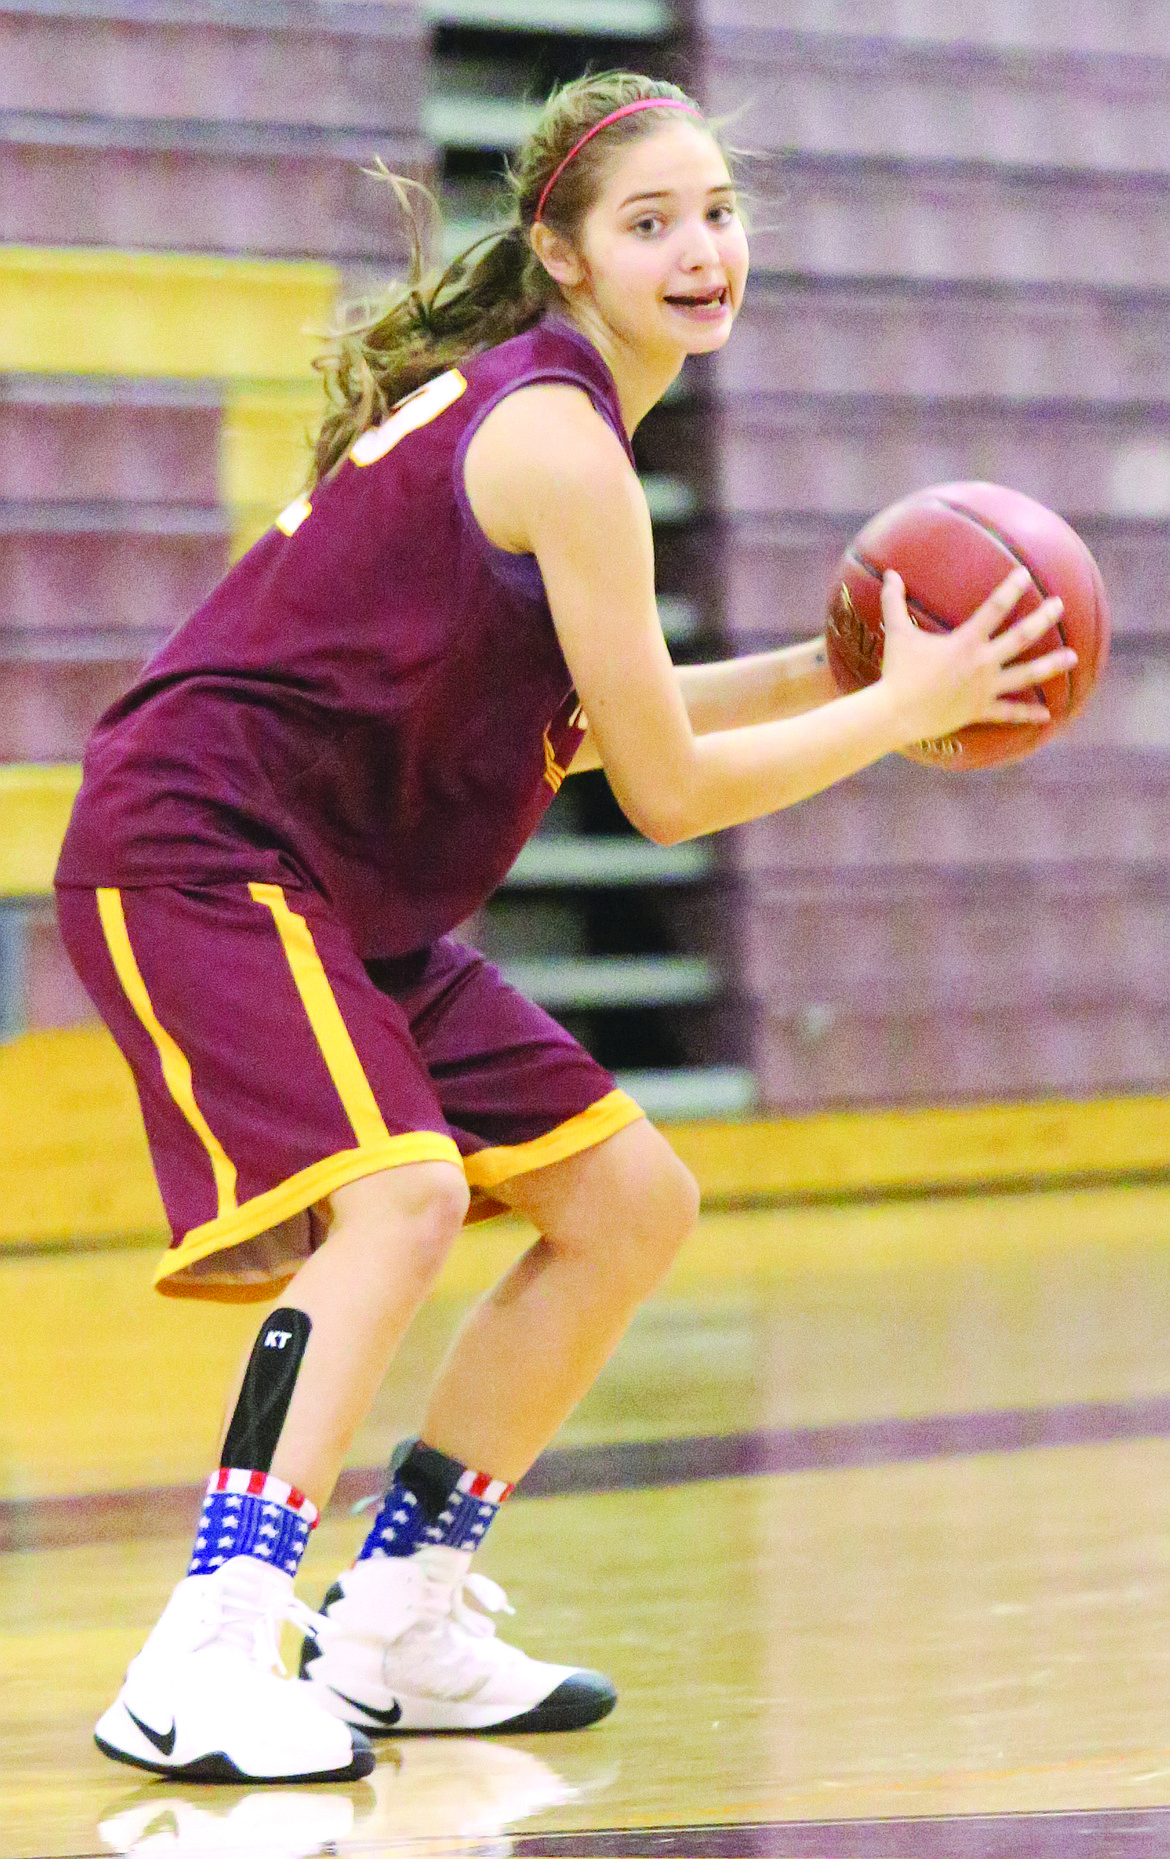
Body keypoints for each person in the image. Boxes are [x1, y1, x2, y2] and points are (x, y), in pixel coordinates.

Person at [54, 70, 1074, 1785]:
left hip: (345, 882)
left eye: (717, 215)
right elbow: (669, 798)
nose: (697, 249)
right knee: (401, 1195)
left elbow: (608, 721)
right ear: (563, 253)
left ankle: (394, 1619)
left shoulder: (554, 429)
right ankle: (206, 1647)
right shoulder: (557, 438)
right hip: (202, 852)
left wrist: (840, 675)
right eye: (649, 222)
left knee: (624, 1199)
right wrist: (901, 712)